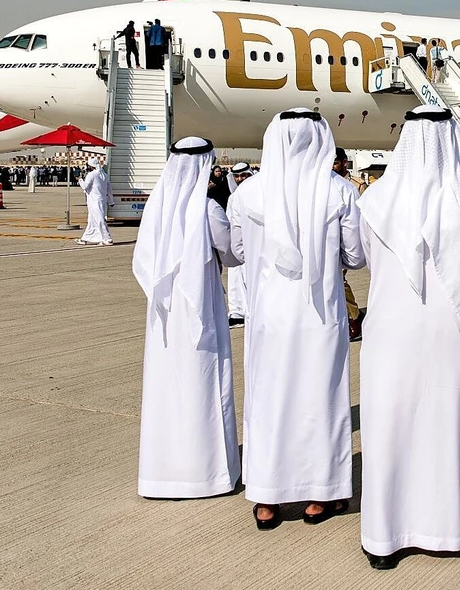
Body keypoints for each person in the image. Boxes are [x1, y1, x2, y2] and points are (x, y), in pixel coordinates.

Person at [357, 105, 460, 570]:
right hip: (452, 330)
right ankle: (453, 532)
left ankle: (384, 538)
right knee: (448, 427)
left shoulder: (374, 202)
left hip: (392, 331)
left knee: (392, 430)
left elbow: (370, 262)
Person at [227, 108, 365, 530]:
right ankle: (318, 497)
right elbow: (356, 257)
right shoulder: (339, 191)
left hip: (268, 318)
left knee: (269, 403)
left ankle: (267, 501)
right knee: (318, 402)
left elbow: (236, 253)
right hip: (320, 316)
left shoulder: (246, 193)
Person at [133, 136, 241, 499]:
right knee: (204, 383)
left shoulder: (156, 206)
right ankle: (206, 473)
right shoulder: (207, 210)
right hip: (200, 307)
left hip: (164, 314)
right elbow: (232, 255)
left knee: (167, 386)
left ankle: (162, 474)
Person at [332, 147, 366, 341]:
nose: (333, 166)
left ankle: (354, 319)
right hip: (335, 240)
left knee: (340, 282)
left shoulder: (356, 185)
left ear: (345, 162)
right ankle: (353, 317)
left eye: (336, 162)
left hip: (350, 239)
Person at [225, 162, 252, 327]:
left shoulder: (260, 193)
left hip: (254, 245)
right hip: (236, 245)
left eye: (243, 175)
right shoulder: (233, 197)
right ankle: (237, 312)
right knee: (235, 278)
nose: (240, 179)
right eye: (237, 176)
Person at [78, 158, 113, 246]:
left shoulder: (91, 174)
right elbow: (109, 189)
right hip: (101, 200)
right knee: (91, 220)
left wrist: (80, 180)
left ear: (91, 166)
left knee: (99, 219)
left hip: (95, 201)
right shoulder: (104, 175)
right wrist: (111, 201)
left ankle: (107, 238)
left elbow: (85, 187)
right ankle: (86, 238)